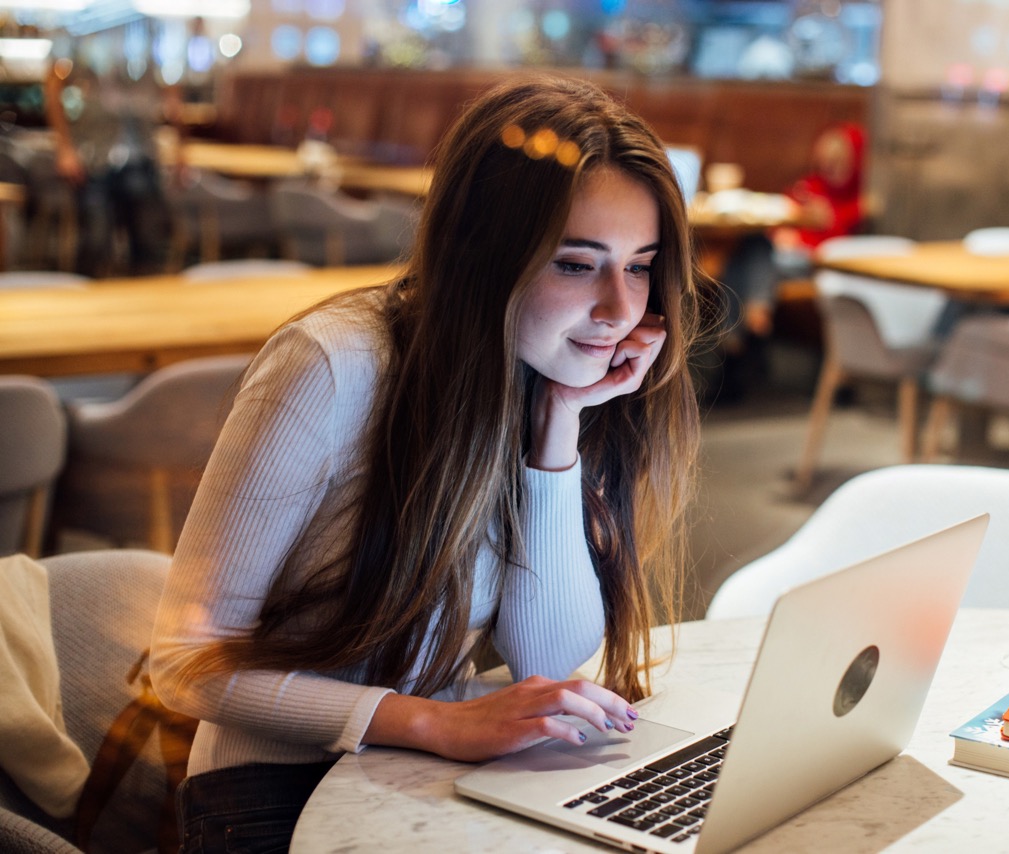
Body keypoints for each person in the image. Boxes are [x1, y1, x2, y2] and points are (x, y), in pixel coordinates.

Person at [149, 76, 707, 853]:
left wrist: (559, 423)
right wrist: (436, 721)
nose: (620, 309)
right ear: (482, 257)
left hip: (429, 770)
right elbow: (181, 666)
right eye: (577, 265)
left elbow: (546, 657)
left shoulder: (540, 373)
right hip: (272, 797)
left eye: (640, 266)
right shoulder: (335, 365)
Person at [712, 122, 867, 402]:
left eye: (839, 160)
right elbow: (781, 212)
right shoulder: (809, 185)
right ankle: (755, 315)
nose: (830, 166)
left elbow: (838, 236)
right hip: (781, 259)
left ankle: (733, 343)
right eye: (826, 159)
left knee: (748, 255)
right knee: (752, 250)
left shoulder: (857, 199)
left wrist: (806, 235)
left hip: (816, 265)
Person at [45, 41, 183, 277]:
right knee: (96, 240)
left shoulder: (147, 27)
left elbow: (172, 89)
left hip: (142, 157)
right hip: (94, 156)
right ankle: (91, 303)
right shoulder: (84, 26)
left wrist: (180, 149)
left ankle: (145, 304)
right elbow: (53, 83)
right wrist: (64, 148)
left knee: (150, 240)